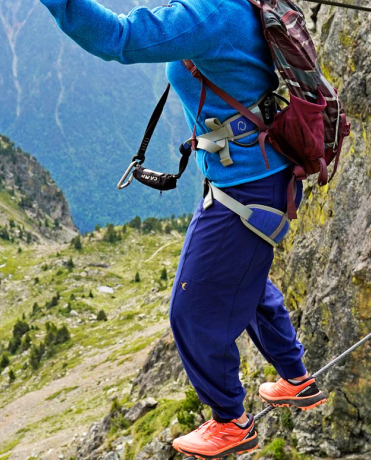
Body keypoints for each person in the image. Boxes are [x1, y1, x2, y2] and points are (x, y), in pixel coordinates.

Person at [37, 0, 326, 458]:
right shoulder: (229, 6)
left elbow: (118, 37)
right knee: (245, 281)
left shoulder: (210, 13)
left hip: (247, 187)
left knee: (190, 311)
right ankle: (297, 379)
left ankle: (232, 423)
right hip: (259, 176)